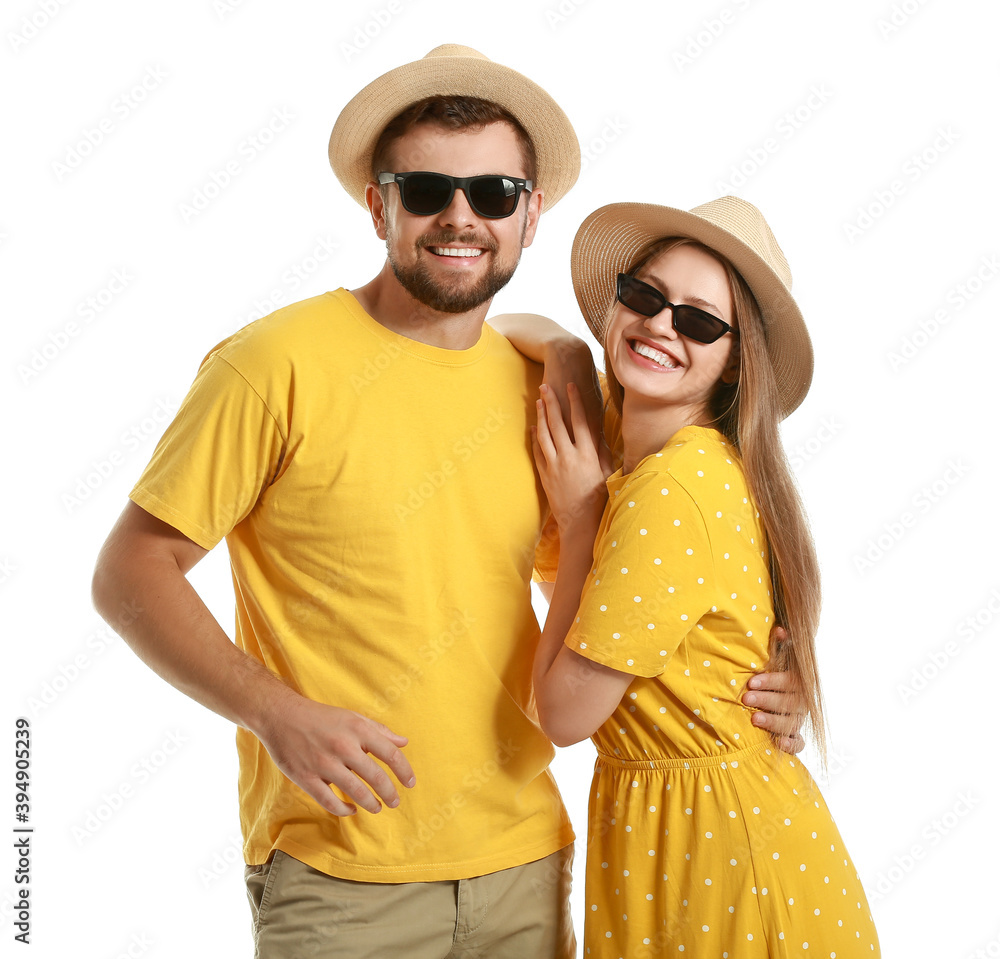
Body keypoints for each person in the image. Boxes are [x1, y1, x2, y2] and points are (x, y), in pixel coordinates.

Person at [90, 44, 804, 959]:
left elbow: (620, 595)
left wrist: (767, 690)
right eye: (427, 190)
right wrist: (275, 713)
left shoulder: (542, 392)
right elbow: (129, 570)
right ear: (379, 204)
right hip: (341, 875)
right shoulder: (272, 366)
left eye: (494, 194)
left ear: (531, 214)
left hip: (527, 869)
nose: (460, 217)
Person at [524, 197, 880, 956]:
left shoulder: (668, 491)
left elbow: (561, 714)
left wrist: (582, 520)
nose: (659, 325)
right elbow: (506, 329)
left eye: (698, 321)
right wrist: (564, 347)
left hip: (725, 864)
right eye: (645, 296)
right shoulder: (655, 460)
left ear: (733, 359)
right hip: (691, 842)